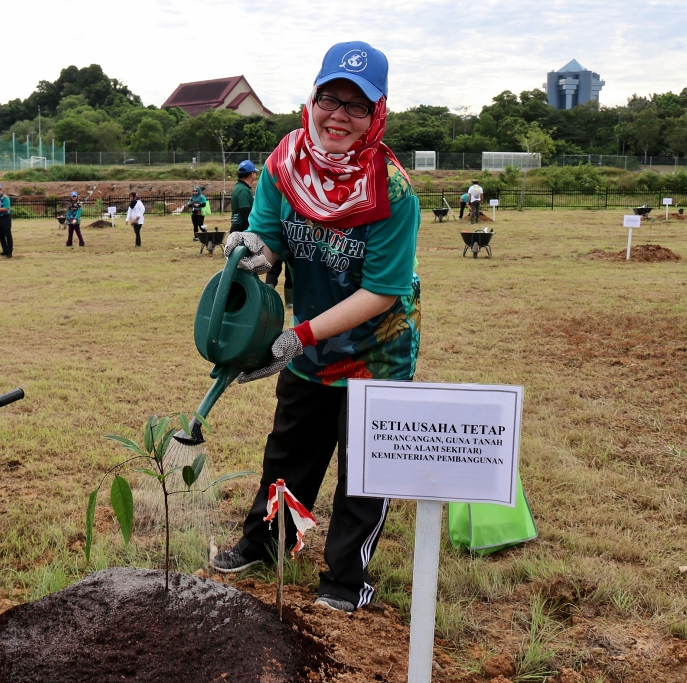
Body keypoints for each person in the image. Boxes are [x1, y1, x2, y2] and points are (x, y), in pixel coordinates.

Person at [210, 41, 421, 616]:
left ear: (376, 115)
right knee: (288, 453)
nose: (339, 116)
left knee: (363, 469)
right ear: (313, 98)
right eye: (331, 98)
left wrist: (299, 335)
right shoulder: (283, 164)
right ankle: (263, 544)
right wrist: (254, 254)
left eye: (357, 106)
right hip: (306, 345)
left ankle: (346, 577)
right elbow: (270, 238)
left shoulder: (393, 192)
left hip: (375, 349)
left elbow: (381, 292)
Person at [229, 160, 257, 233]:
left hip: (237, 226)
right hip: (241, 227)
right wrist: (250, 230)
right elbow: (245, 211)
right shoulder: (243, 190)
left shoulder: (239, 187)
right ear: (252, 174)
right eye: (255, 172)